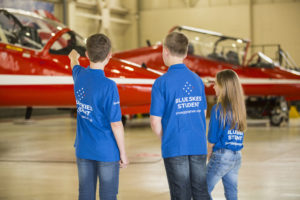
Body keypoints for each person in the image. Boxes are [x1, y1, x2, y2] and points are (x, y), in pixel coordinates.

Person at [150, 32, 210, 200]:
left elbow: (155, 121)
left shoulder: (161, 83)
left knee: (180, 194)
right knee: (201, 192)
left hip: (174, 146)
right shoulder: (197, 80)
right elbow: (203, 112)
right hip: (198, 144)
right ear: (185, 53)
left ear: (165, 51)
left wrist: (167, 136)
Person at [68, 33, 128, 200]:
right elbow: (116, 124)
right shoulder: (109, 86)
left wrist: (73, 56)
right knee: (108, 196)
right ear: (109, 55)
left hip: (83, 150)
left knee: (85, 195)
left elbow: (74, 63)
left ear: (87, 55)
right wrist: (123, 153)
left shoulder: (79, 76)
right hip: (106, 152)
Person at [206, 69, 247, 200]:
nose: (213, 86)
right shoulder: (239, 109)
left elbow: (212, 138)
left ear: (223, 87)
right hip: (236, 157)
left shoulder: (218, 109)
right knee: (231, 193)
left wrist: (208, 156)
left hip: (221, 156)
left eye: (216, 84)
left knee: (200, 190)